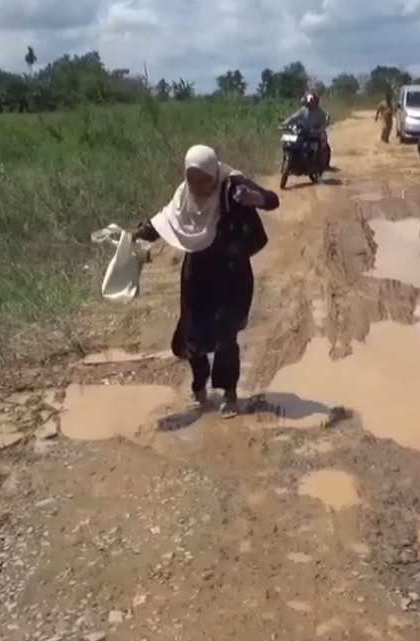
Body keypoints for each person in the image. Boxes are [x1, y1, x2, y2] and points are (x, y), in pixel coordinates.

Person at [131, 145, 280, 417]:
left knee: (226, 333)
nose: (198, 186)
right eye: (192, 179)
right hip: (197, 273)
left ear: (215, 172)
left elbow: (272, 200)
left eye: (204, 180)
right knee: (191, 334)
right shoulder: (183, 193)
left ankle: (230, 393)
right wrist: (137, 234)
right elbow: (165, 220)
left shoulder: (232, 184)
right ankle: (200, 382)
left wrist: (254, 198)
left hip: (232, 274)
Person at [282, 93, 332, 170]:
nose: (310, 104)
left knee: (316, 149)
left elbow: (325, 122)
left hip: (315, 135)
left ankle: (316, 166)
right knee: (295, 144)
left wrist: (319, 129)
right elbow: (294, 117)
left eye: (312, 102)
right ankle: (293, 161)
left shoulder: (320, 112)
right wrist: (285, 123)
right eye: (309, 102)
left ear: (316, 102)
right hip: (304, 133)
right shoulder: (303, 110)